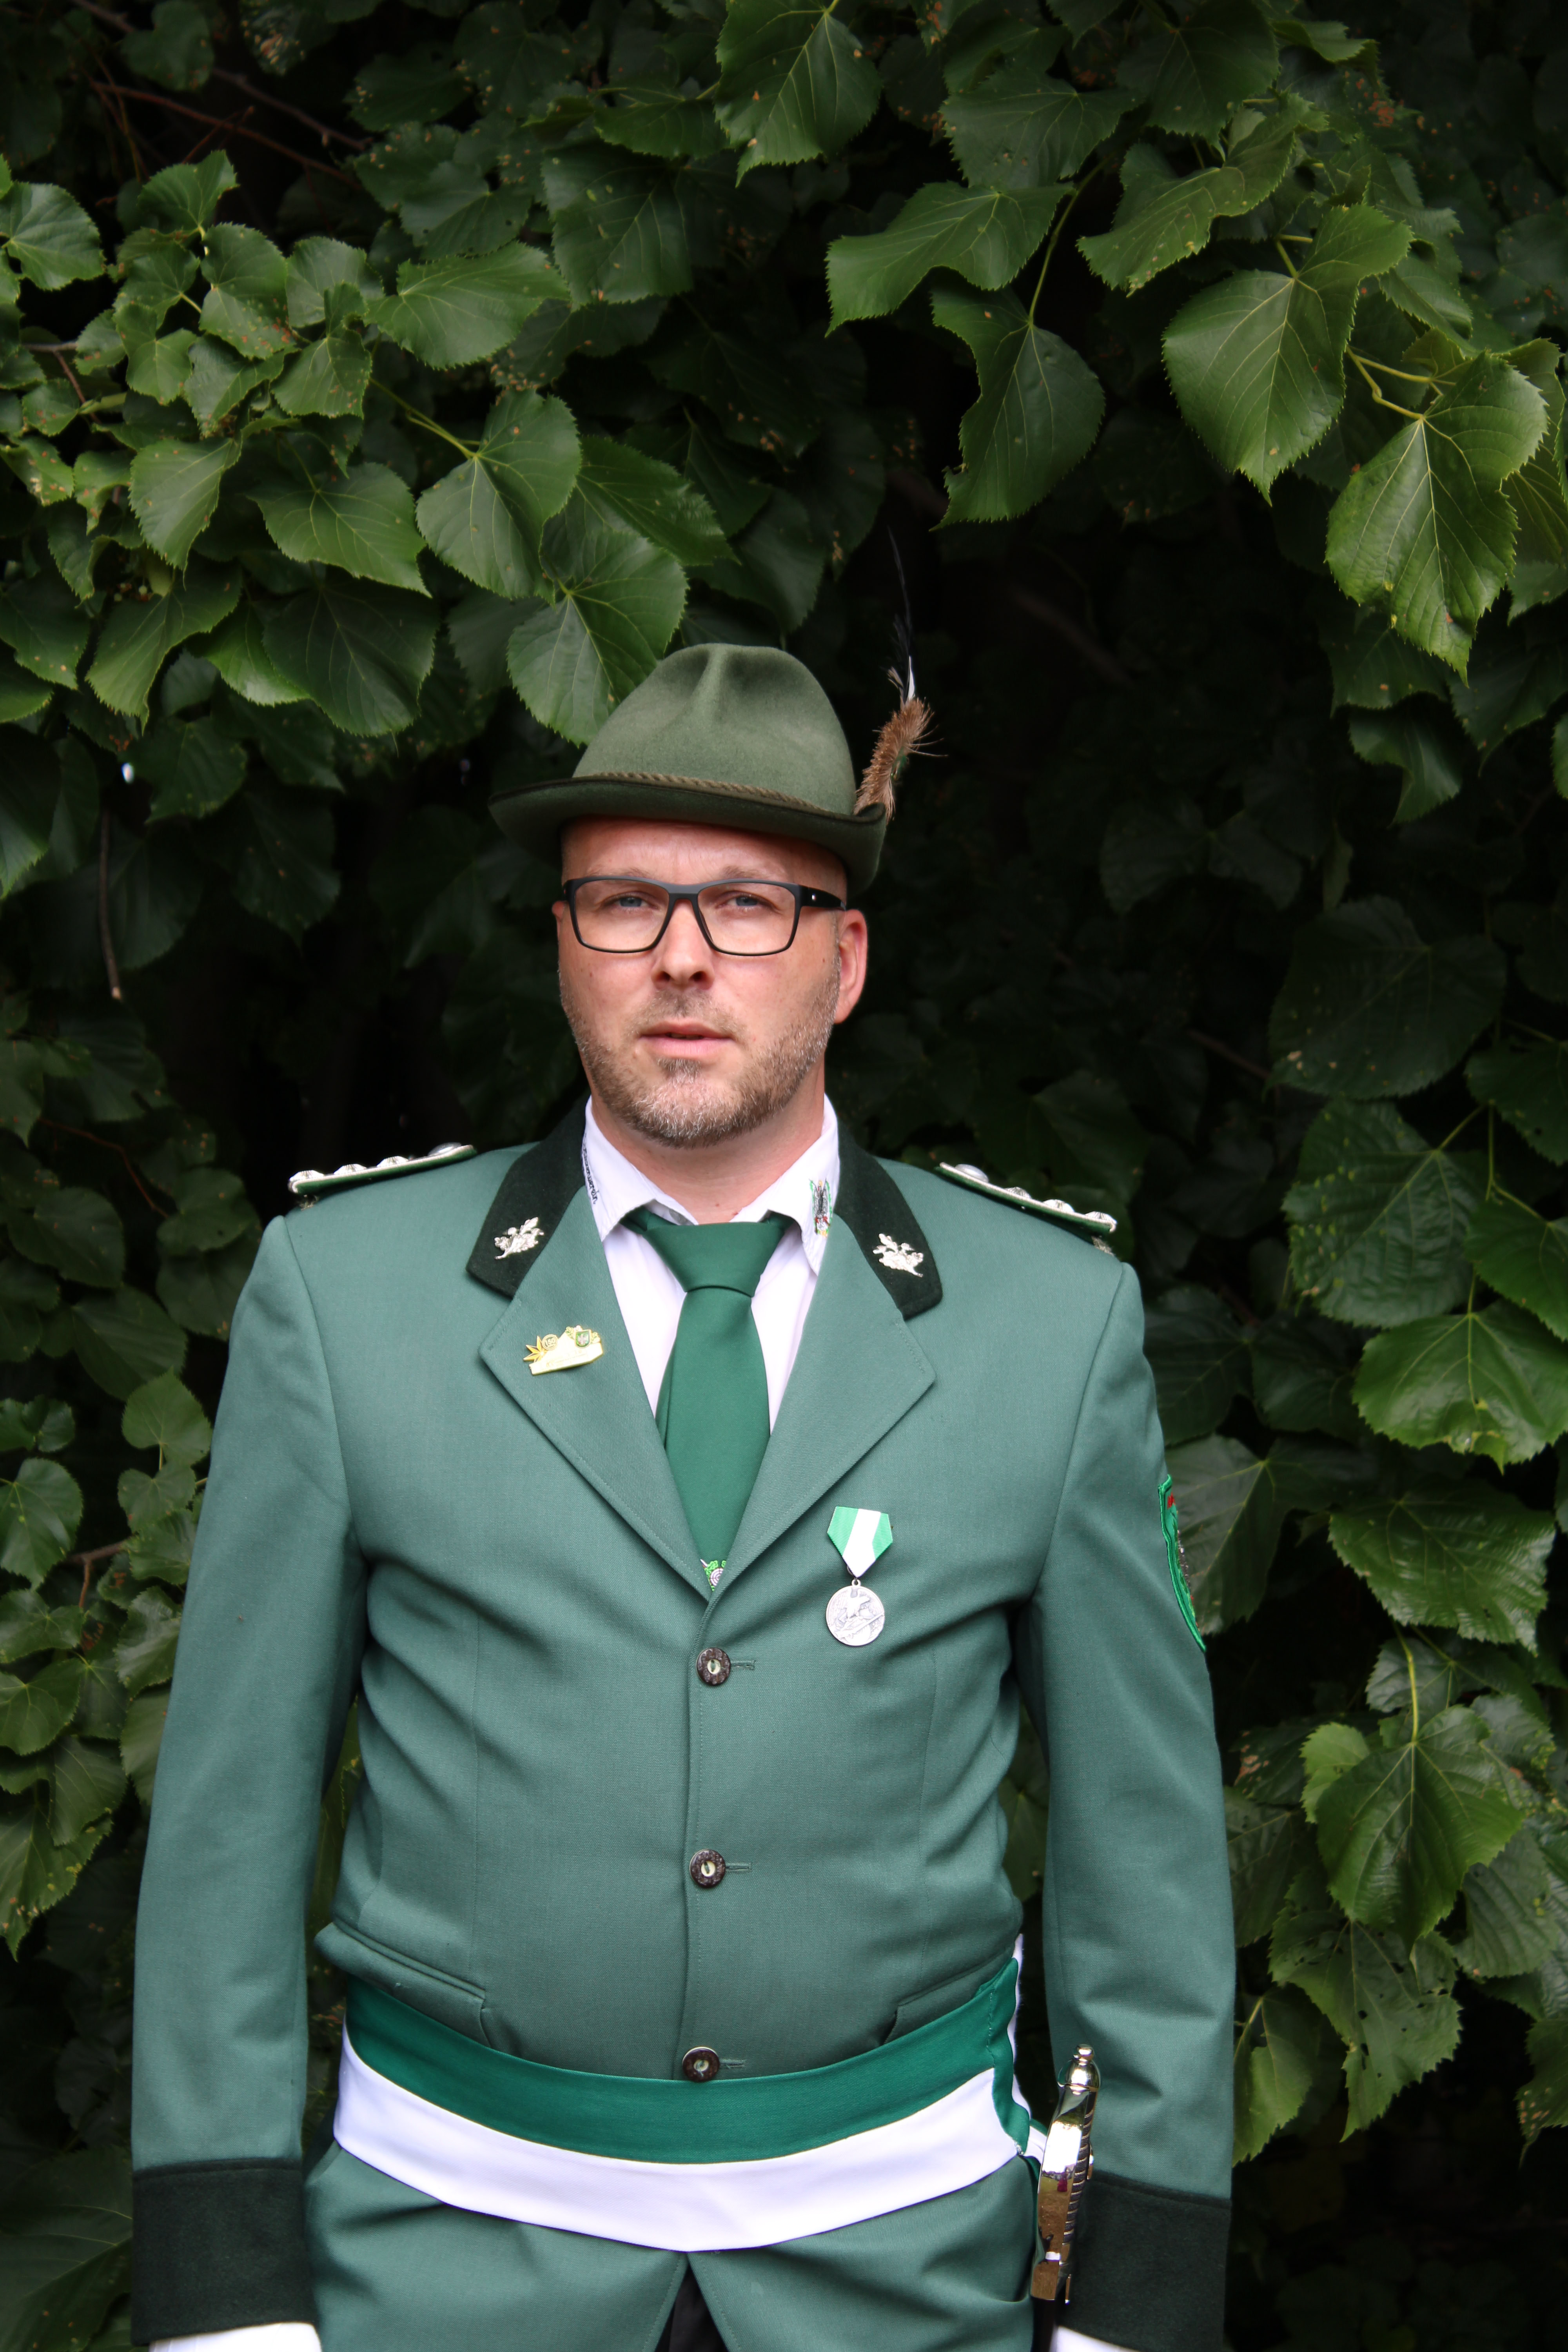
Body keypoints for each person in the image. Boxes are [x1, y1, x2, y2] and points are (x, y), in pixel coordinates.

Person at [130, 643, 1234, 2352]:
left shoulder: (1043, 1323)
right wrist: (223, 2298)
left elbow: (1142, 1850)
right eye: (625, 902)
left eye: (749, 905)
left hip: (903, 2275)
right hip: (448, 2263)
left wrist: (1133, 2302)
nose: (684, 956)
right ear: (563, 946)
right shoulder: (349, 1300)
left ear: (844, 959)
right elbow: (226, 1823)